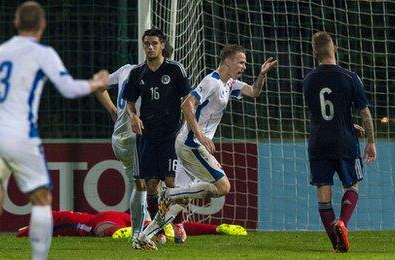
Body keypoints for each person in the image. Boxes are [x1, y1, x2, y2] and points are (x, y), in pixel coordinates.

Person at [0, 2, 109, 259]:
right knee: (41, 198)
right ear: (42, 25)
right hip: (19, 132)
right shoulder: (42, 53)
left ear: (16, 23)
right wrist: (97, 82)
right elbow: (68, 88)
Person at [137, 44, 277, 249]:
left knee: (182, 202)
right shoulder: (211, 81)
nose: (244, 66)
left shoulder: (230, 83)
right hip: (191, 144)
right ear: (227, 62)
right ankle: (171, 193)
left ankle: (144, 236)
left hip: (189, 144)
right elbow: (187, 105)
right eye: (241, 62)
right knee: (223, 187)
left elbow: (254, 92)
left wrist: (262, 75)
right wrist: (201, 135)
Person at [93, 43, 176, 242]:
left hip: (118, 139)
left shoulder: (126, 70)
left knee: (140, 182)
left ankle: (149, 228)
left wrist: (114, 111)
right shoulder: (152, 78)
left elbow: (97, 83)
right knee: (149, 184)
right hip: (135, 137)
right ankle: (145, 233)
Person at [302, 31, 375, 253]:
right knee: (352, 185)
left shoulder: (308, 80)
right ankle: (342, 222)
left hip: (319, 142)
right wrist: (371, 141)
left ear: (315, 53)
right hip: (344, 142)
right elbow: (365, 113)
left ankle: (337, 244)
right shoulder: (349, 77)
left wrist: (344, 121)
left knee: (323, 193)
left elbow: (321, 113)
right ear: (335, 48)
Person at [121, 28, 193, 249]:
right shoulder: (137, 73)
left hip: (171, 135)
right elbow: (130, 104)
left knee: (171, 183)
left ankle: (178, 224)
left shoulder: (175, 69)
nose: (150, 47)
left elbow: (188, 97)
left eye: (154, 43)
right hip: (147, 135)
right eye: (146, 43)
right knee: (151, 185)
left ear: (162, 45)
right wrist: (134, 117)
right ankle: (159, 229)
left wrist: (188, 126)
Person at [14, 210, 246, 237]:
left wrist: (24, 230)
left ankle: (124, 233)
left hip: (103, 219)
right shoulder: (58, 219)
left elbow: (24, 232)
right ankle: (218, 228)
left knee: (101, 229)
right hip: (119, 216)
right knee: (162, 225)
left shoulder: (57, 219)